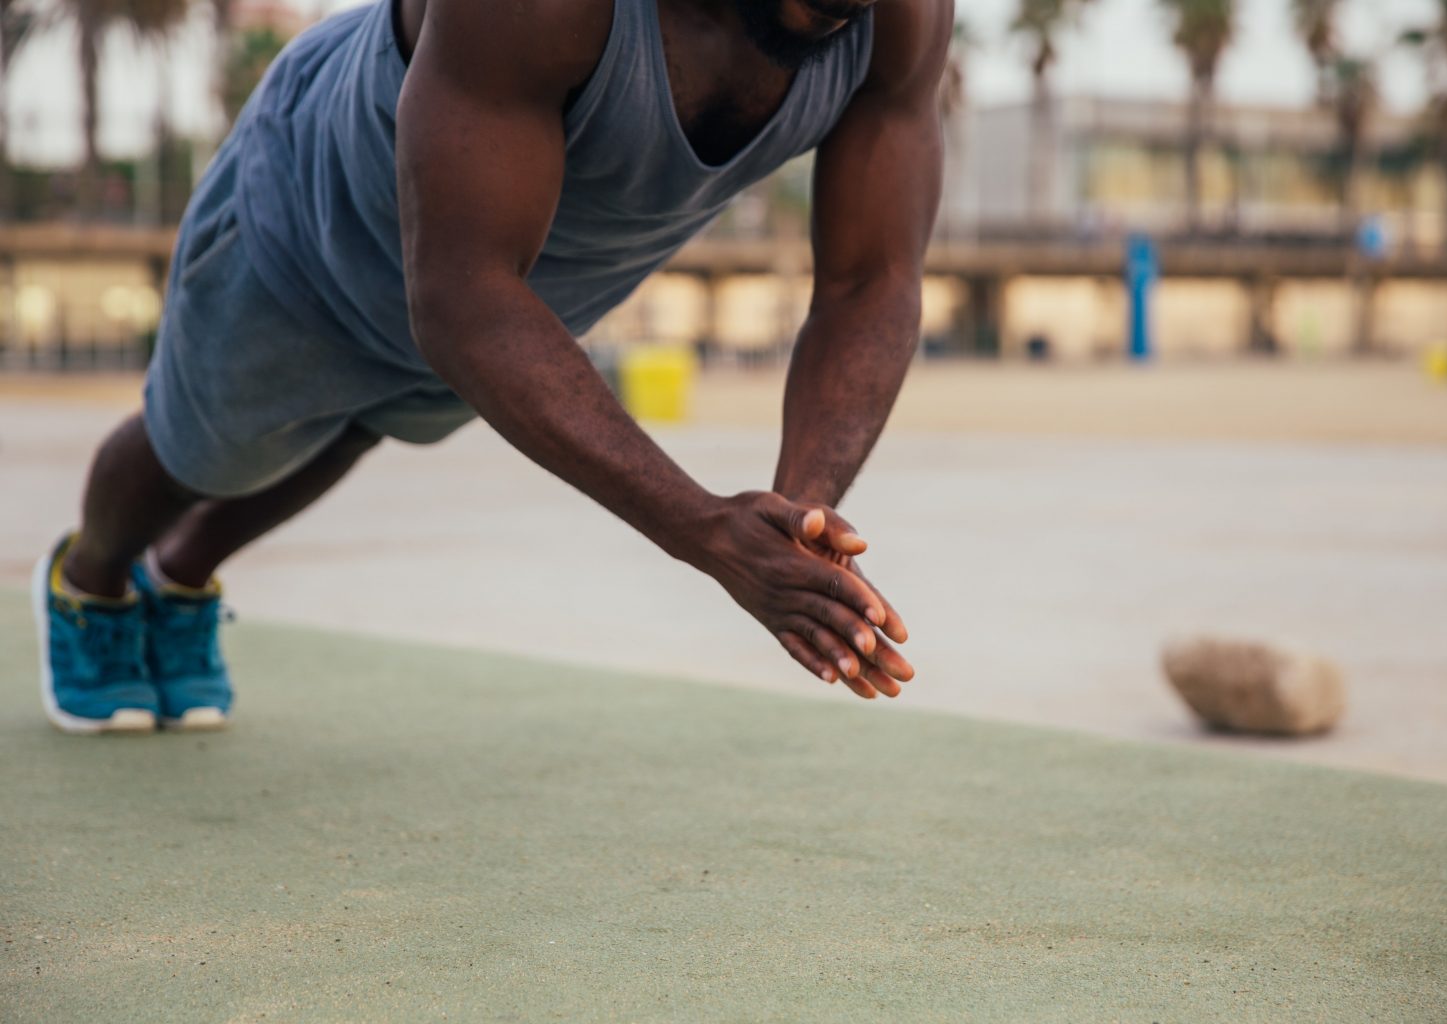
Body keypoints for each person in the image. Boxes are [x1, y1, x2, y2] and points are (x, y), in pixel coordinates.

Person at [32, 0, 949, 733]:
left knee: (372, 422)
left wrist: (801, 519)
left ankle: (183, 575)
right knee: (198, 449)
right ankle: (95, 581)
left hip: (519, 294)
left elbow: (873, 277)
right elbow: (464, 302)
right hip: (317, 229)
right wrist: (704, 530)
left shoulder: (893, 17)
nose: (835, 16)